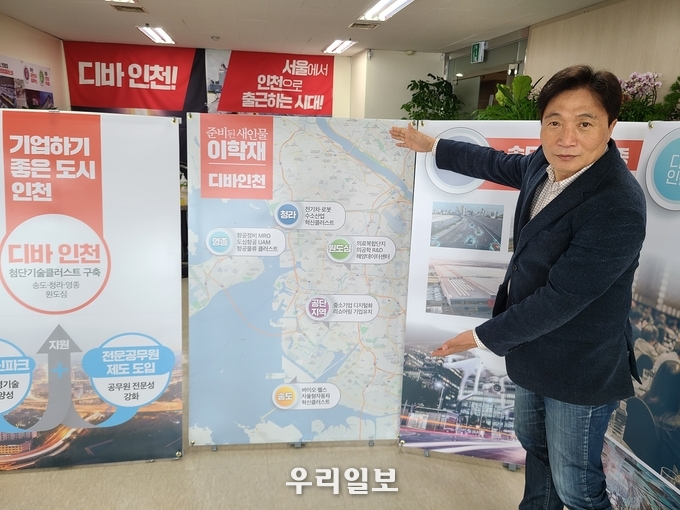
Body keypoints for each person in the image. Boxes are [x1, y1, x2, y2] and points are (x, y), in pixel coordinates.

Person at [390, 65, 647, 510]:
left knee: (578, 487)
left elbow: (562, 298)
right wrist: (433, 146)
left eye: (585, 124)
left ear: (610, 127)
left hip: (580, 366)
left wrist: (478, 337)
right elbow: (496, 163)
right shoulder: (542, 166)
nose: (567, 138)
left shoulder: (617, 203)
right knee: (538, 452)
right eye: (554, 122)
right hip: (532, 351)